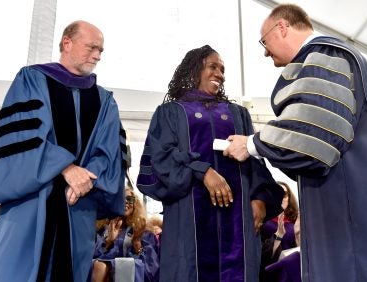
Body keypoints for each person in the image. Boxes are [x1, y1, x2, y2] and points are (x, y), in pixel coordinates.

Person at [224, 4, 367, 281]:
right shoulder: (352, 61)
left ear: (282, 27)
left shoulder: (326, 55)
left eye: (264, 42)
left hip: (355, 224)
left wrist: (251, 144)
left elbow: (313, 137)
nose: (265, 52)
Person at [0, 20, 126, 282]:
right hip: (31, 203)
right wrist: (65, 168)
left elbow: (109, 151)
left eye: (101, 51)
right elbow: (23, 137)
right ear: (67, 43)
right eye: (92, 47)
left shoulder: (105, 100)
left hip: (78, 207)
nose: (97, 56)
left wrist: (85, 179)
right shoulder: (32, 79)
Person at [137, 45, 284, 282]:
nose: (220, 74)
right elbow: (160, 159)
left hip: (238, 222)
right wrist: (202, 170)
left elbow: (255, 161)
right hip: (189, 220)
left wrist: (261, 198)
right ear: (195, 70)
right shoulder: (171, 113)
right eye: (213, 66)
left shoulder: (238, 114)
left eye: (222, 69)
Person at [92, 189, 159, 282]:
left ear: (135, 204)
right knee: (99, 266)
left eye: (130, 199)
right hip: (104, 275)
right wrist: (108, 241)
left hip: (132, 276)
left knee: (101, 267)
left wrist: (137, 244)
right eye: (120, 198)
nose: (126, 202)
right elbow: (89, 259)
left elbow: (151, 270)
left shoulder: (144, 231)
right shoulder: (101, 230)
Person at [260, 181, 299, 281]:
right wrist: (278, 236)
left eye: (285, 194)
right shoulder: (262, 219)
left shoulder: (296, 220)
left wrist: (298, 233)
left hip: (290, 272)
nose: (281, 197)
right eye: (277, 193)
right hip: (269, 272)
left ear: (289, 198)